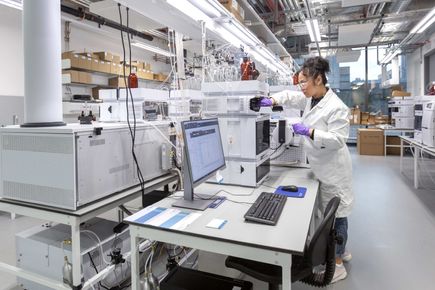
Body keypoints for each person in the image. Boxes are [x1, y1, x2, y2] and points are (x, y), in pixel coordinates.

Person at [252, 57, 354, 283]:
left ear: (318, 79)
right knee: (331, 215)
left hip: (333, 169)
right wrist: (271, 99)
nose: (301, 87)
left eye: (304, 82)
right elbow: (290, 96)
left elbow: (338, 140)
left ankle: (337, 264)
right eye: (299, 83)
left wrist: (309, 132)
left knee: (337, 216)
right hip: (320, 165)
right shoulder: (311, 99)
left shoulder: (337, 107)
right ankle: (341, 250)